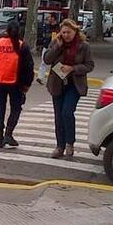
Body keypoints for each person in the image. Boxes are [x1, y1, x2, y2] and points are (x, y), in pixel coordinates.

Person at [43, 19, 95, 159]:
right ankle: (59, 146)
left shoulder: (83, 46)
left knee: (67, 112)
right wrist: (57, 47)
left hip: (74, 84)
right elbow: (47, 60)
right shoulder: (57, 43)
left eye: (69, 32)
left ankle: (69, 143)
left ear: (75, 31)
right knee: (58, 116)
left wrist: (73, 68)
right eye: (63, 32)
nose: (66, 35)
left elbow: (89, 65)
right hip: (57, 83)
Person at [0, 20, 34, 148]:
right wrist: (26, 85)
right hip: (16, 84)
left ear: (6, 31)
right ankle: (8, 133)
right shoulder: (22, 46)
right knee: (16, 109)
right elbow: (29, 68)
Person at [35, 14, 59, 84]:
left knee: (57, 62)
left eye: (50, 17)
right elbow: (44, 35)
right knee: (43, 62)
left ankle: (60, 78)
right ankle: (40, 77)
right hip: (46, 46)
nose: (48, 18)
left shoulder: (58, 27)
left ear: (53, 18)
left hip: (56, 48)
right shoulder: (46, 26)